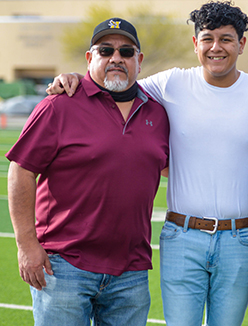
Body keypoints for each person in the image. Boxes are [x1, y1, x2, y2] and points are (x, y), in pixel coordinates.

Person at [46, 2, 248, 325]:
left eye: (226, 39)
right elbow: (115, 82)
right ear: (195, 43)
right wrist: (74, 77)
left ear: (241, 44)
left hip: (241, 239)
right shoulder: (169, 84)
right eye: (208, 38)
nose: (216, 47)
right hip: (182, 236)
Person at [6, 18, 169, 326]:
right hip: (64, 266)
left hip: (131, 271)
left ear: (140, 60)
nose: (116, 58)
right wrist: (26, 245)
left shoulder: (157, 112)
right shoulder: (59, 105)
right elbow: (21, 170)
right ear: (89, 58)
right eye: (105, 50)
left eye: (126, 51)